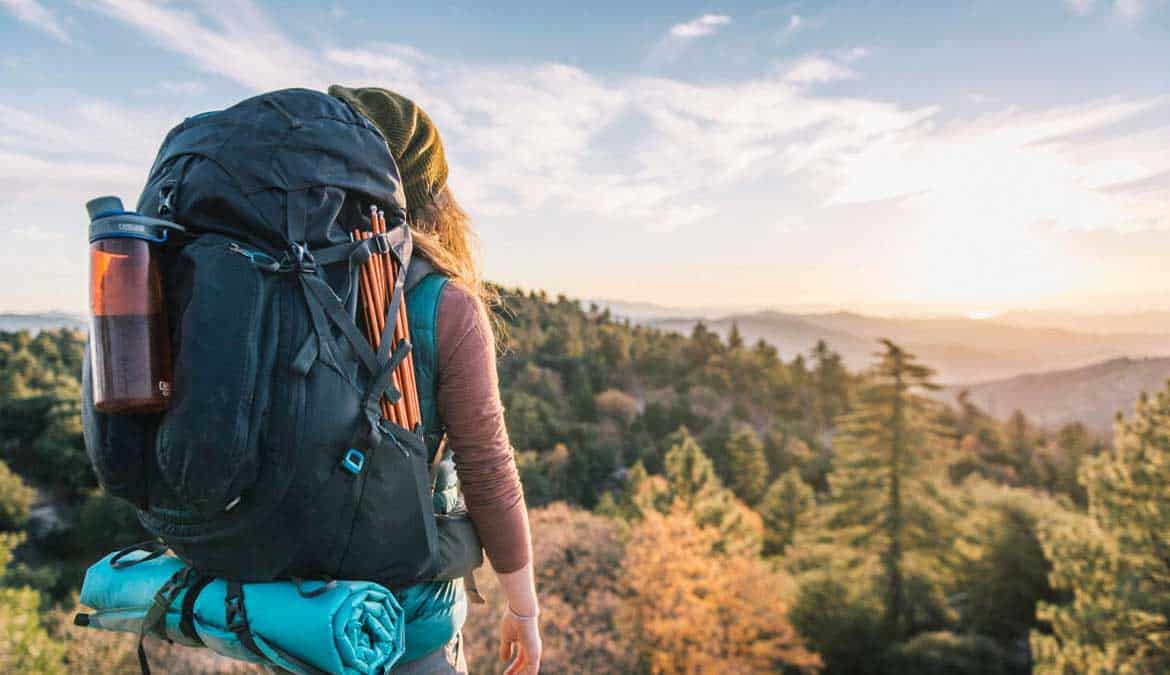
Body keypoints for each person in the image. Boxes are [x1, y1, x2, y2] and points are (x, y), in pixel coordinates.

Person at [328, 85, 542, 675]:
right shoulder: (440, 302)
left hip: (291, 612)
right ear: (426, 192)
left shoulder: (277, 284)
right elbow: (487, 468)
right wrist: (523, 610)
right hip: (402, 622)